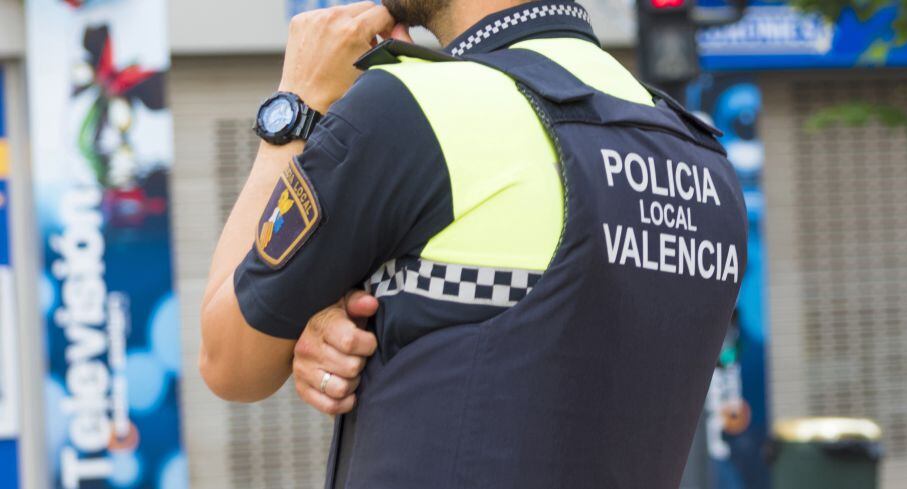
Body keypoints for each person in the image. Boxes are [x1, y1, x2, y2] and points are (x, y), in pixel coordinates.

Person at [198, 0, 748, 487]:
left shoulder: (415, 107)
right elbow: (556, 333)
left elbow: (229, 361)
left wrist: (297, 100)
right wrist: (347, 309)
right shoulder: (698, 154)